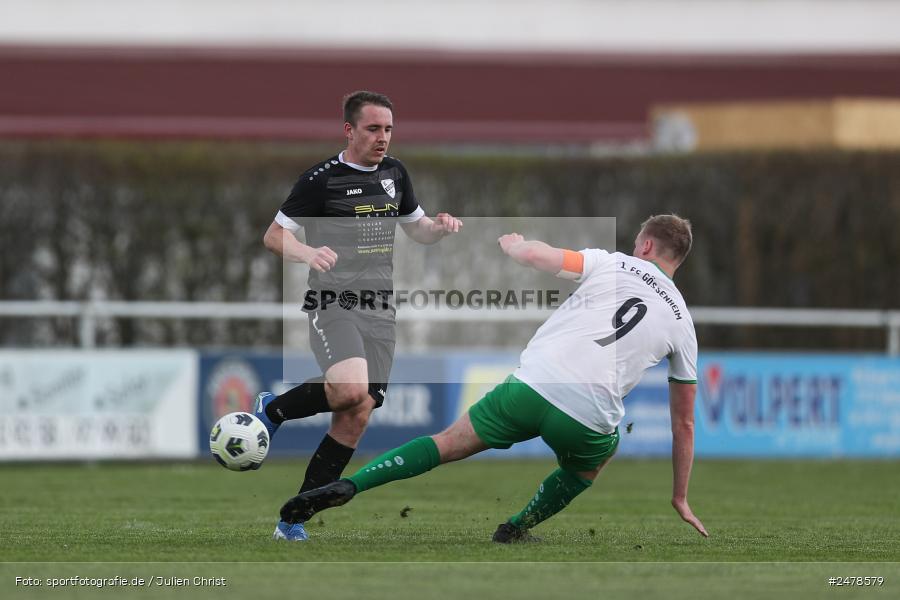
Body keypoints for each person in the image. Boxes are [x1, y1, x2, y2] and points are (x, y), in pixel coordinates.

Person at [279, 214, 709, 542]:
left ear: (647, 244)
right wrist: (680, 495)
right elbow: (684, 424)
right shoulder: (683, 324)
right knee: (593, 462)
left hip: (533, 384)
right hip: (587, 416)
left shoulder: (611, 263)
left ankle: (351, 485)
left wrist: (516, 246)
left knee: (445, 443)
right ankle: (517, 527)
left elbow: (538, 256)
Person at [258, 90, 462, 541]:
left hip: (380, 310)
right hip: (333, 304)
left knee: (359, 410)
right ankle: (272, 410)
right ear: (349, 130)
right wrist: (309, 252)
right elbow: (274, 237)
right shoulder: (320, 180)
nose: (383, 138)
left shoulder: (395, 173)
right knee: (349, 388)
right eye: (373, 128)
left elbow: (418, 230)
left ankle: (293, 519)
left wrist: (439, 228)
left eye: (388, 129)